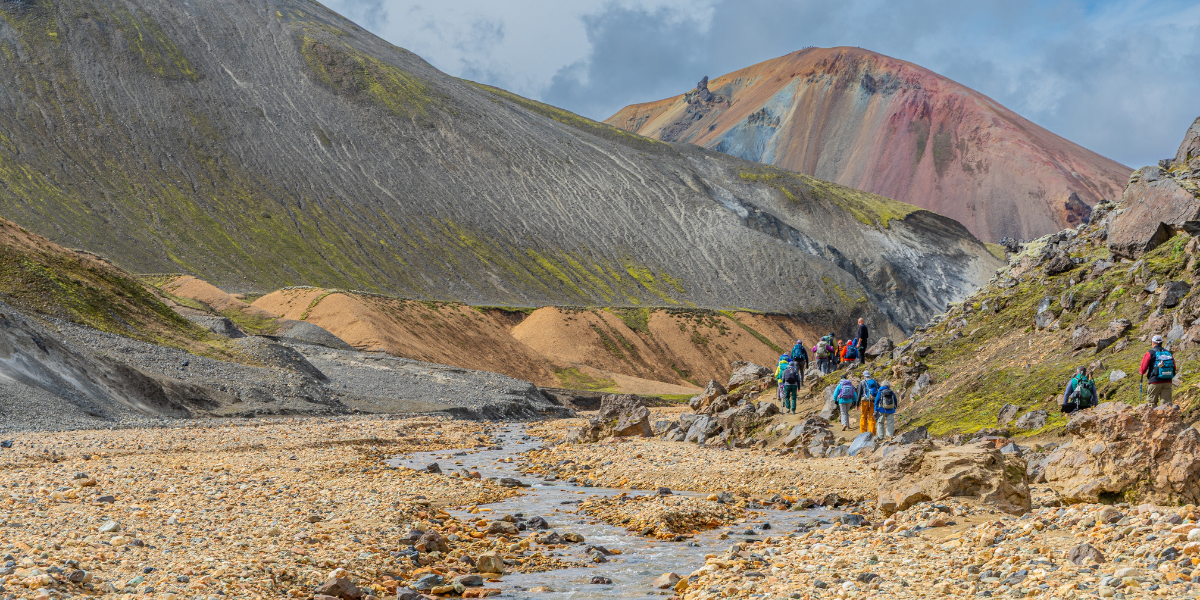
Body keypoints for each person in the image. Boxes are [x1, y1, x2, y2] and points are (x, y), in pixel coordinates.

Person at [1139, 334, 1176, 406]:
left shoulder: (1150, 353)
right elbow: (1174, 367)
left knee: (1151, 403)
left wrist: (1142, 372)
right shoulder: (1168, 353)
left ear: (1153, 343)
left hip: (1155, 381)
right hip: (1167, 381)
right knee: (1166, 404)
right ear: (1162, 343)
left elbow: (1143, 369)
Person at [857, 370, 879, 435]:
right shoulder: (875, 382)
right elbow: (880, 389)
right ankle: (872, 434)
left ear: (863, 376)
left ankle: (863, 434)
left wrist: (857, 404)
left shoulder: (862, 382)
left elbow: (859, 393)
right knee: (872, 417)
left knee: (863, 417)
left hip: (864, 402)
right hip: (873, 401)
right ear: (869, 375)